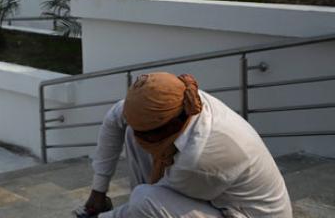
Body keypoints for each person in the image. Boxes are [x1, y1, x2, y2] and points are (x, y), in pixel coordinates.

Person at [81, 72, 291, 218]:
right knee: (129, 133)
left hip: (243, 214)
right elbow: (113, 119)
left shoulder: (199, 159)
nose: (138, 138)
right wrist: (98, 190)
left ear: (168, 128)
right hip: (217, 198)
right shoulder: (180, 100)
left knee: (143, 200)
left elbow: (149, 203)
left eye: (145, 135)